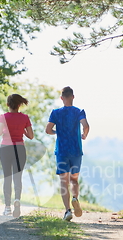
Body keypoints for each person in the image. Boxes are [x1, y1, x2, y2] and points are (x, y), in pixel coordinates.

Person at [46, 86, 90, 221]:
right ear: (73, 97)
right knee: (74, 179)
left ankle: (67, 211)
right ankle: (75, 198)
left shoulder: (55, 113)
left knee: (63, 181)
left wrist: (56, 132)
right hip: (76, 150)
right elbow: (86, 125)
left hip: (62, 151)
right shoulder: (79, 111)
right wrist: (84, 134)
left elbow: (48, 130)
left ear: (62, 98)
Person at [0, 94, 34, 217]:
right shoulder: (25, 118)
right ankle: (17, 200)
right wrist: (21, 129)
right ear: (19, 105)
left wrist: (5, 129)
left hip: (5, 149)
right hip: (19, 149)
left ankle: (7, 207)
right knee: (17, 177)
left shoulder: (3, 117)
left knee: (7, 178)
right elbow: (31, 136)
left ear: (8, 104)